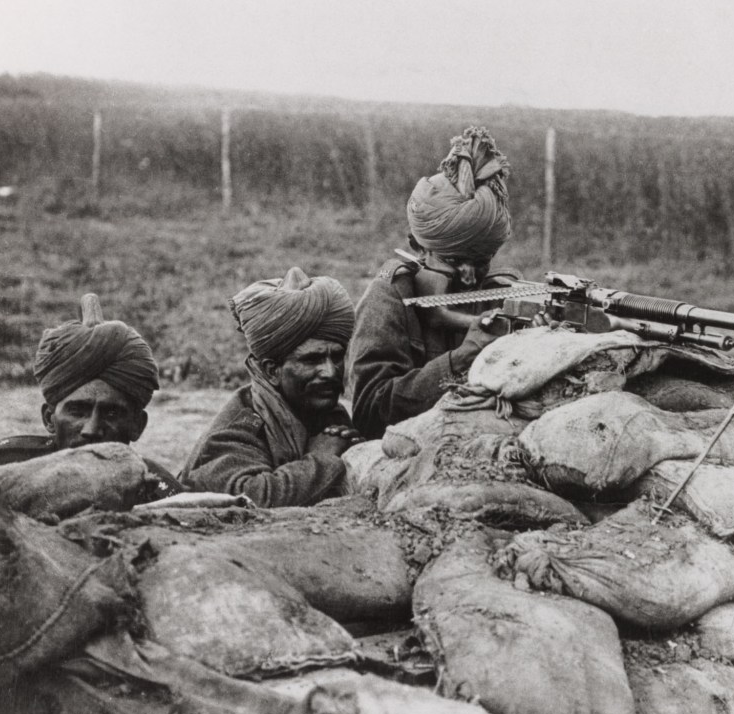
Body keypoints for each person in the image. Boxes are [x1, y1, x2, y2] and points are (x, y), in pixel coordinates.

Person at [347, 126, 519, 438]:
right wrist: (461, 359)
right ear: (417, 246)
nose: (469, 276)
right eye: (454, 261)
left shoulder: (503, 292)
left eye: (481, 261)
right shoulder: (392, 296)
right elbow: (369, 411)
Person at [179, 268, 362, 506]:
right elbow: (253, 498)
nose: (330, 371)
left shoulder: (325, 410)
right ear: (271, 371)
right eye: (311, 360)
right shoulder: (238, 429)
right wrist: (320, 459)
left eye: (336, 357)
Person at [0, 293, 183, 496]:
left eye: (112, 414)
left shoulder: (156, 490)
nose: (91, 430)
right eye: (77, 412)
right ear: (49, 419)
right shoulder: (3, 467)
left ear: (137, 426)